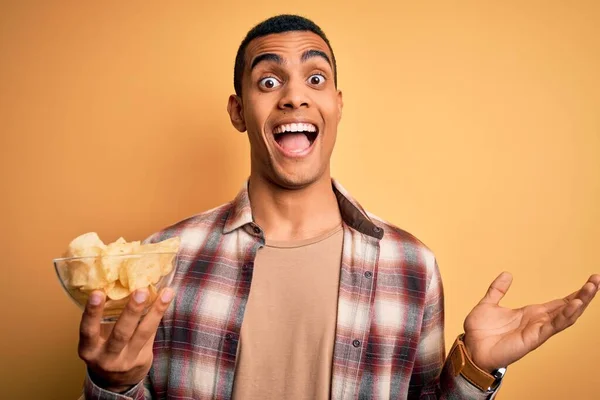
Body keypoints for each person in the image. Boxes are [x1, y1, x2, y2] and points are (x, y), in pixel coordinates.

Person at [78, 14, 599, 400]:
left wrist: (473, 371)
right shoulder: (164, 262)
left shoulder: (411, 267)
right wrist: (113, 384)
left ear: (337, 105)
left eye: (315, 78)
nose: (294, 97)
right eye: (268, 81)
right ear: (239, 111)